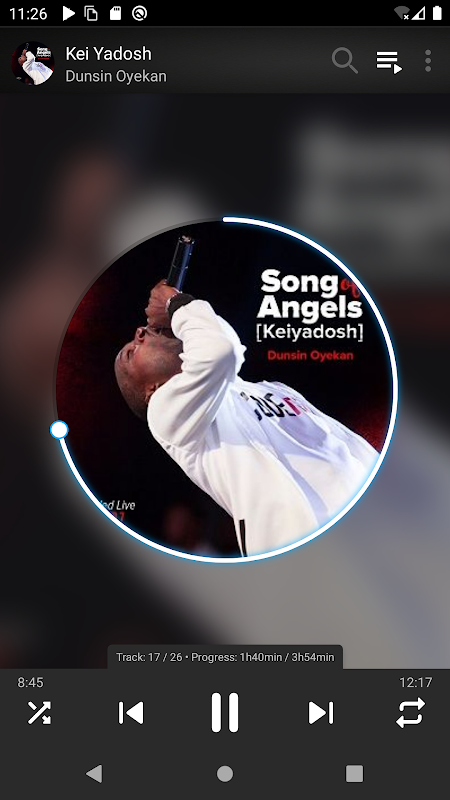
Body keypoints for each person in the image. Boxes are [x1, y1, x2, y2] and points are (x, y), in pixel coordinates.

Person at [114, 280, 378, 557]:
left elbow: (344, 441)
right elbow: (221, 351)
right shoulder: (165, 416)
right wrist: (176, 305)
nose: (140, 332)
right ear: (151, 390)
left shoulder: (272, 388)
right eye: (130, 353)